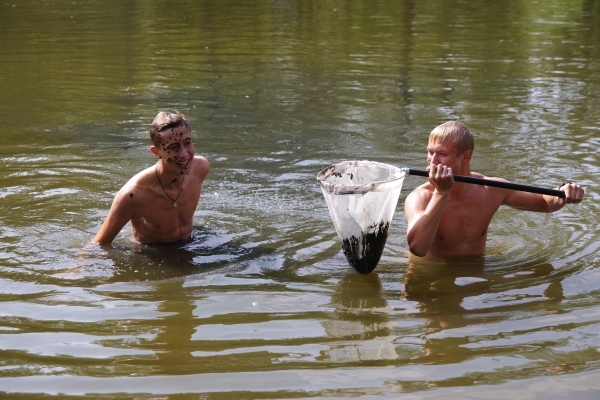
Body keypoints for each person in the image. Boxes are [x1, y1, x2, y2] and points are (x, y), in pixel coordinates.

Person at [404, 121, 584, 257]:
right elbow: (418, 249)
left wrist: (563, 193)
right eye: (430, 152)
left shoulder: (490, 188)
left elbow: (545, 203)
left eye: (442, 154)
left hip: (477, 269)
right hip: (429, 273)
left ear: (466, 157)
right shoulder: (419, 197)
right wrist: (442, 192)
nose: (432, 161)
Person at [91, 111, 210, 244]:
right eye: (174, 147)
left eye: (187, 143)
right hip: (151, 255)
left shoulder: (200, 168)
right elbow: (98, 245)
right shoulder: (133, 195)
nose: (184, 154)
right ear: (156, 152)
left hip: (190, 244)